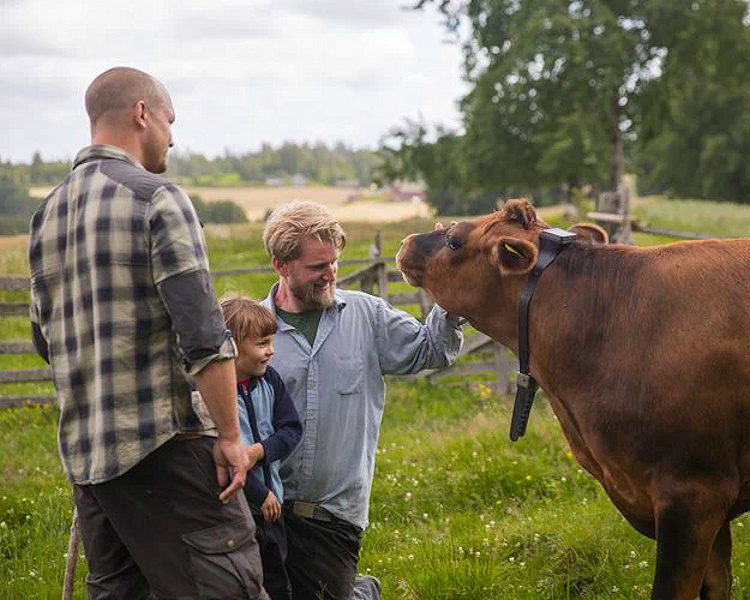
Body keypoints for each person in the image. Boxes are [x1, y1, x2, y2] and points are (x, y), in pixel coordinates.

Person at [28, 66, 268, 600]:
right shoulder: (158, 197)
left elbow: (46, 342)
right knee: (228, 589)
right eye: (169, 120)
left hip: (92, 466)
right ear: (142, 114)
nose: (173, 136)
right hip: (168, 448)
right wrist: (231, 437)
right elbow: (205, 337)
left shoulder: (45, 216)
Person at [260, 201, 464, 600]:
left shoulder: (366, 316)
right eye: (317, 267)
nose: (329, 274)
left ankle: (360, 593)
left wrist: (450, 283)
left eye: (334, 262)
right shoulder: (253, 331)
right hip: (264, 506)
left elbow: (431, 350)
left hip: (334, 514)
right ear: (281, 265)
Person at [222, 296, 303, 600]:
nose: (271, 350)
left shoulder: (269, 380)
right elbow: (216, 456)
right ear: (232, 347)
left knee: (277, 580)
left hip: (272, 510)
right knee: (244, 584)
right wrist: (259, 493)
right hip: (239, 512)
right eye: (262, 343)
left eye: (271, 341)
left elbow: (291, 429)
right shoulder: (217, 394)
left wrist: (258, 451)